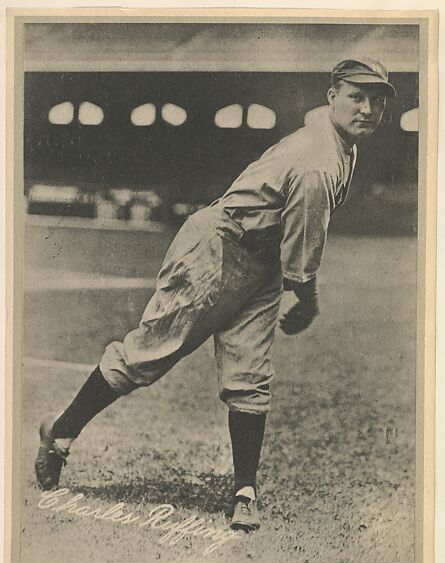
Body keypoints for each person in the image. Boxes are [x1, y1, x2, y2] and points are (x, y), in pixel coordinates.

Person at [35, 58, 396, 532]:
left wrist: (292, 286)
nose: (368, 108)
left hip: (260, 262)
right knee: (147, 355)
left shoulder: (333, 138)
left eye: (377, 100)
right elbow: (303, 257)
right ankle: (59, 433)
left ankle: (244, 490)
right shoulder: (317, 161)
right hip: (219, 247)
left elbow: (292, 239)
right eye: (357, 96)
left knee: (250, 375)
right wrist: (306, 299)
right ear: (333, 96)